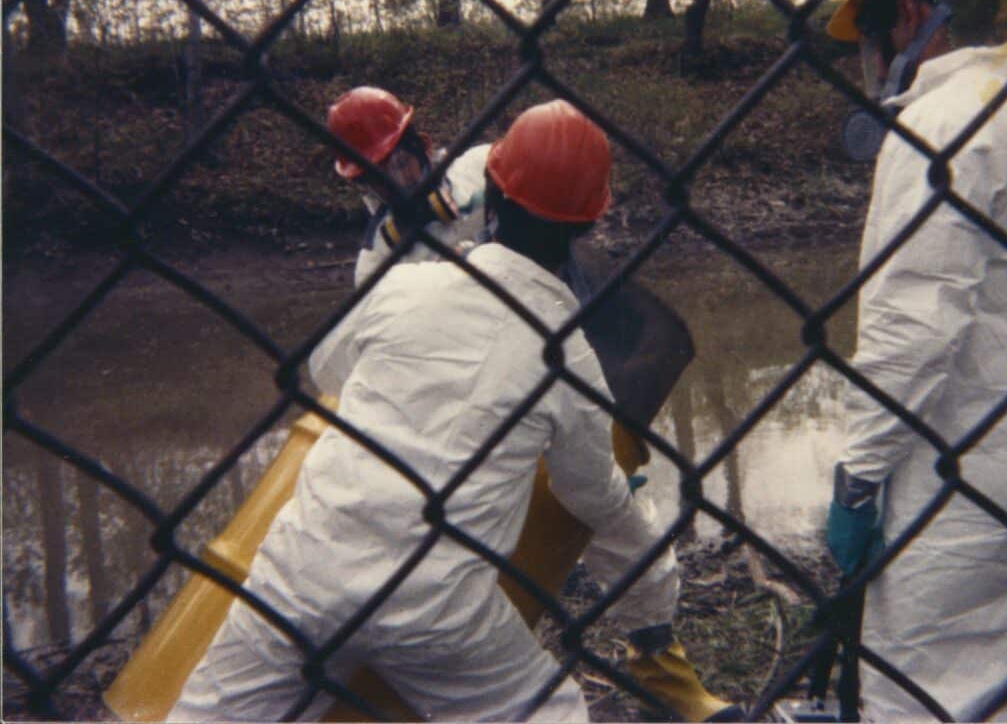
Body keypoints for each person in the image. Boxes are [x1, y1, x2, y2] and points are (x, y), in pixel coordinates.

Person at [168, 100, 686, 722]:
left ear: (490, 191)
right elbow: (595, 497)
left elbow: (328, 371)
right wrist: (651, 607)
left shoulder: (398, 284)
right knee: (548, 711)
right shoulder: (570, 359)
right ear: (589, 223)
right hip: (434, 608)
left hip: (301, 574)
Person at [824, 0, 1007, 721]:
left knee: (925, 681)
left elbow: (912, 331)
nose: (869, 63)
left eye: (868, 40)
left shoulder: (939, 123)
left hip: (959, 468)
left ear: (909, 16)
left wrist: (861, 481)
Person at [326, 86, 488, 287]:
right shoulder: (376, 262)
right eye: (377, 177)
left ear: (424, 146)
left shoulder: (483, 167)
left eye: (399, 165)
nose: (394, 184)